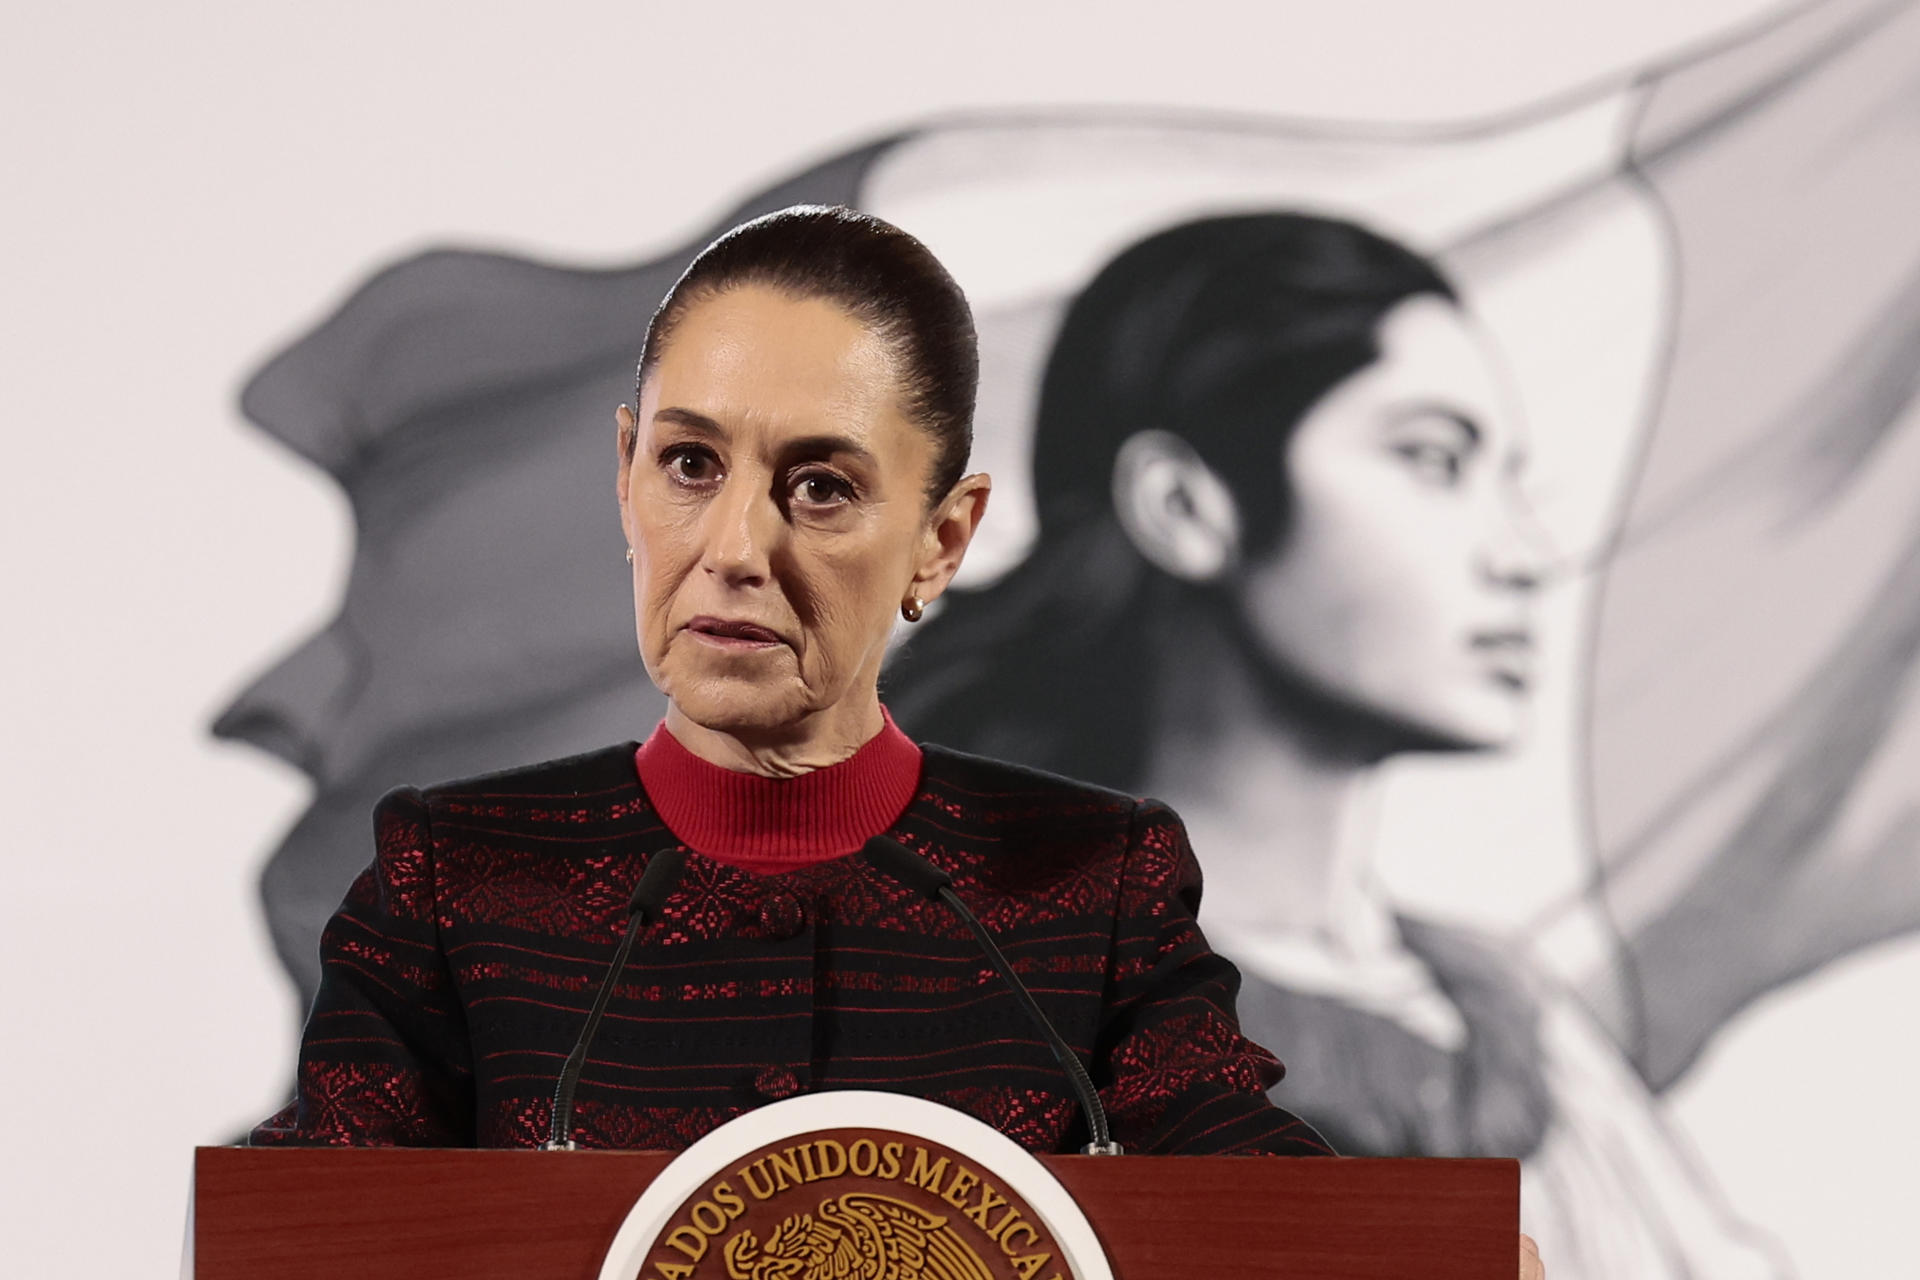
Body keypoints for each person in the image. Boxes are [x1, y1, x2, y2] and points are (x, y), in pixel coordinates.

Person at [248, 205, 1333, 1164]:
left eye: (820, 485)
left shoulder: (1087, 888)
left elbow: (1272, 1210)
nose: (733, 546)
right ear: (626, 479)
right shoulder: (457, 884)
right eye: (689, 465)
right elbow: (301, 1226)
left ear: (941, 541)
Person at [889, 214, 1764, 1280]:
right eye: (1433, 459)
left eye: (1509, 478)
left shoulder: (1511, 1015)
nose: (1527, 553)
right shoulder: (997, 1008)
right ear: (1185, 505)